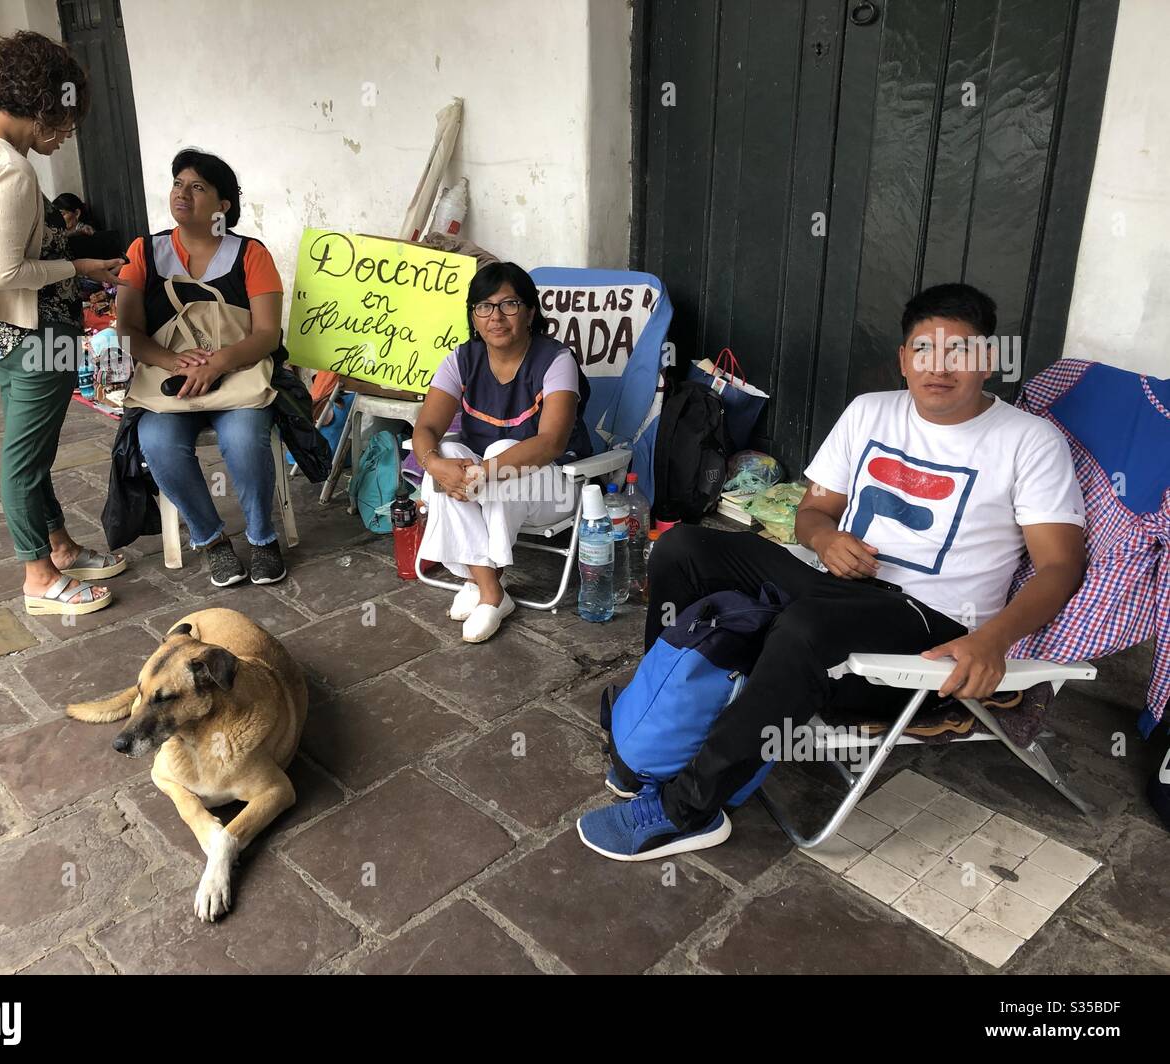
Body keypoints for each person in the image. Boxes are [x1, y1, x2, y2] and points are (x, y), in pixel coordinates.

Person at [578, 283, 1087, 861]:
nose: (938, 368)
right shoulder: (871, 410)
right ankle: (659, 731)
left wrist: (991, 641)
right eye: (923, 350)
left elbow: (1059, 565)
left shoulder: (1029, 441)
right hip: (836, 581)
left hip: (928, 617)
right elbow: (812, 511)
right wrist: (826, 537)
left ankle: (688, 808)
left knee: (804, 626)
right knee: (684, 550)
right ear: (903, 358)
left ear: (988, 361)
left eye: (959, 352)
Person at [0, 31, 126, 617]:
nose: (69, 133)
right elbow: (5, 268)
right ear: (44, 108)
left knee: (32, 450)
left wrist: (67, 244)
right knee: (25, 459)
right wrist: (81, 264)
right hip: (35, 333)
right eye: (66, 121)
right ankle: (38, 577)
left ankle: (59, 547)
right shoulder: (13, 172)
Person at [113, 148, 290, 587]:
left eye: (197, 187)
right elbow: (127, 330)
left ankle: (263, 538)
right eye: (178, 184)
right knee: (156, 441)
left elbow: (268, 334)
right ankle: (212, 542)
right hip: (169, 379)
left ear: (223, 206)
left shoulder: (251, 254)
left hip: (238, 373)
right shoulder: (144, 251)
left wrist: (218, 363)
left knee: (246, 438)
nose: (182, 194)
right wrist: (172, 359)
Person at [411, 261, 592, 643]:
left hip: (554, 487)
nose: (496, 317)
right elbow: (425, 429)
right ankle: (491, 588)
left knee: (503, 449)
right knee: (445, 451)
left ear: (530, 312)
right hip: (484, 483)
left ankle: (485, 588)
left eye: (509, 304)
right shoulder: (460, 360)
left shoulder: (556, 361)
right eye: (484, 306)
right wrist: (436, 464)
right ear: (473, 316)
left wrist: (479, 472)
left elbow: (550, 443)